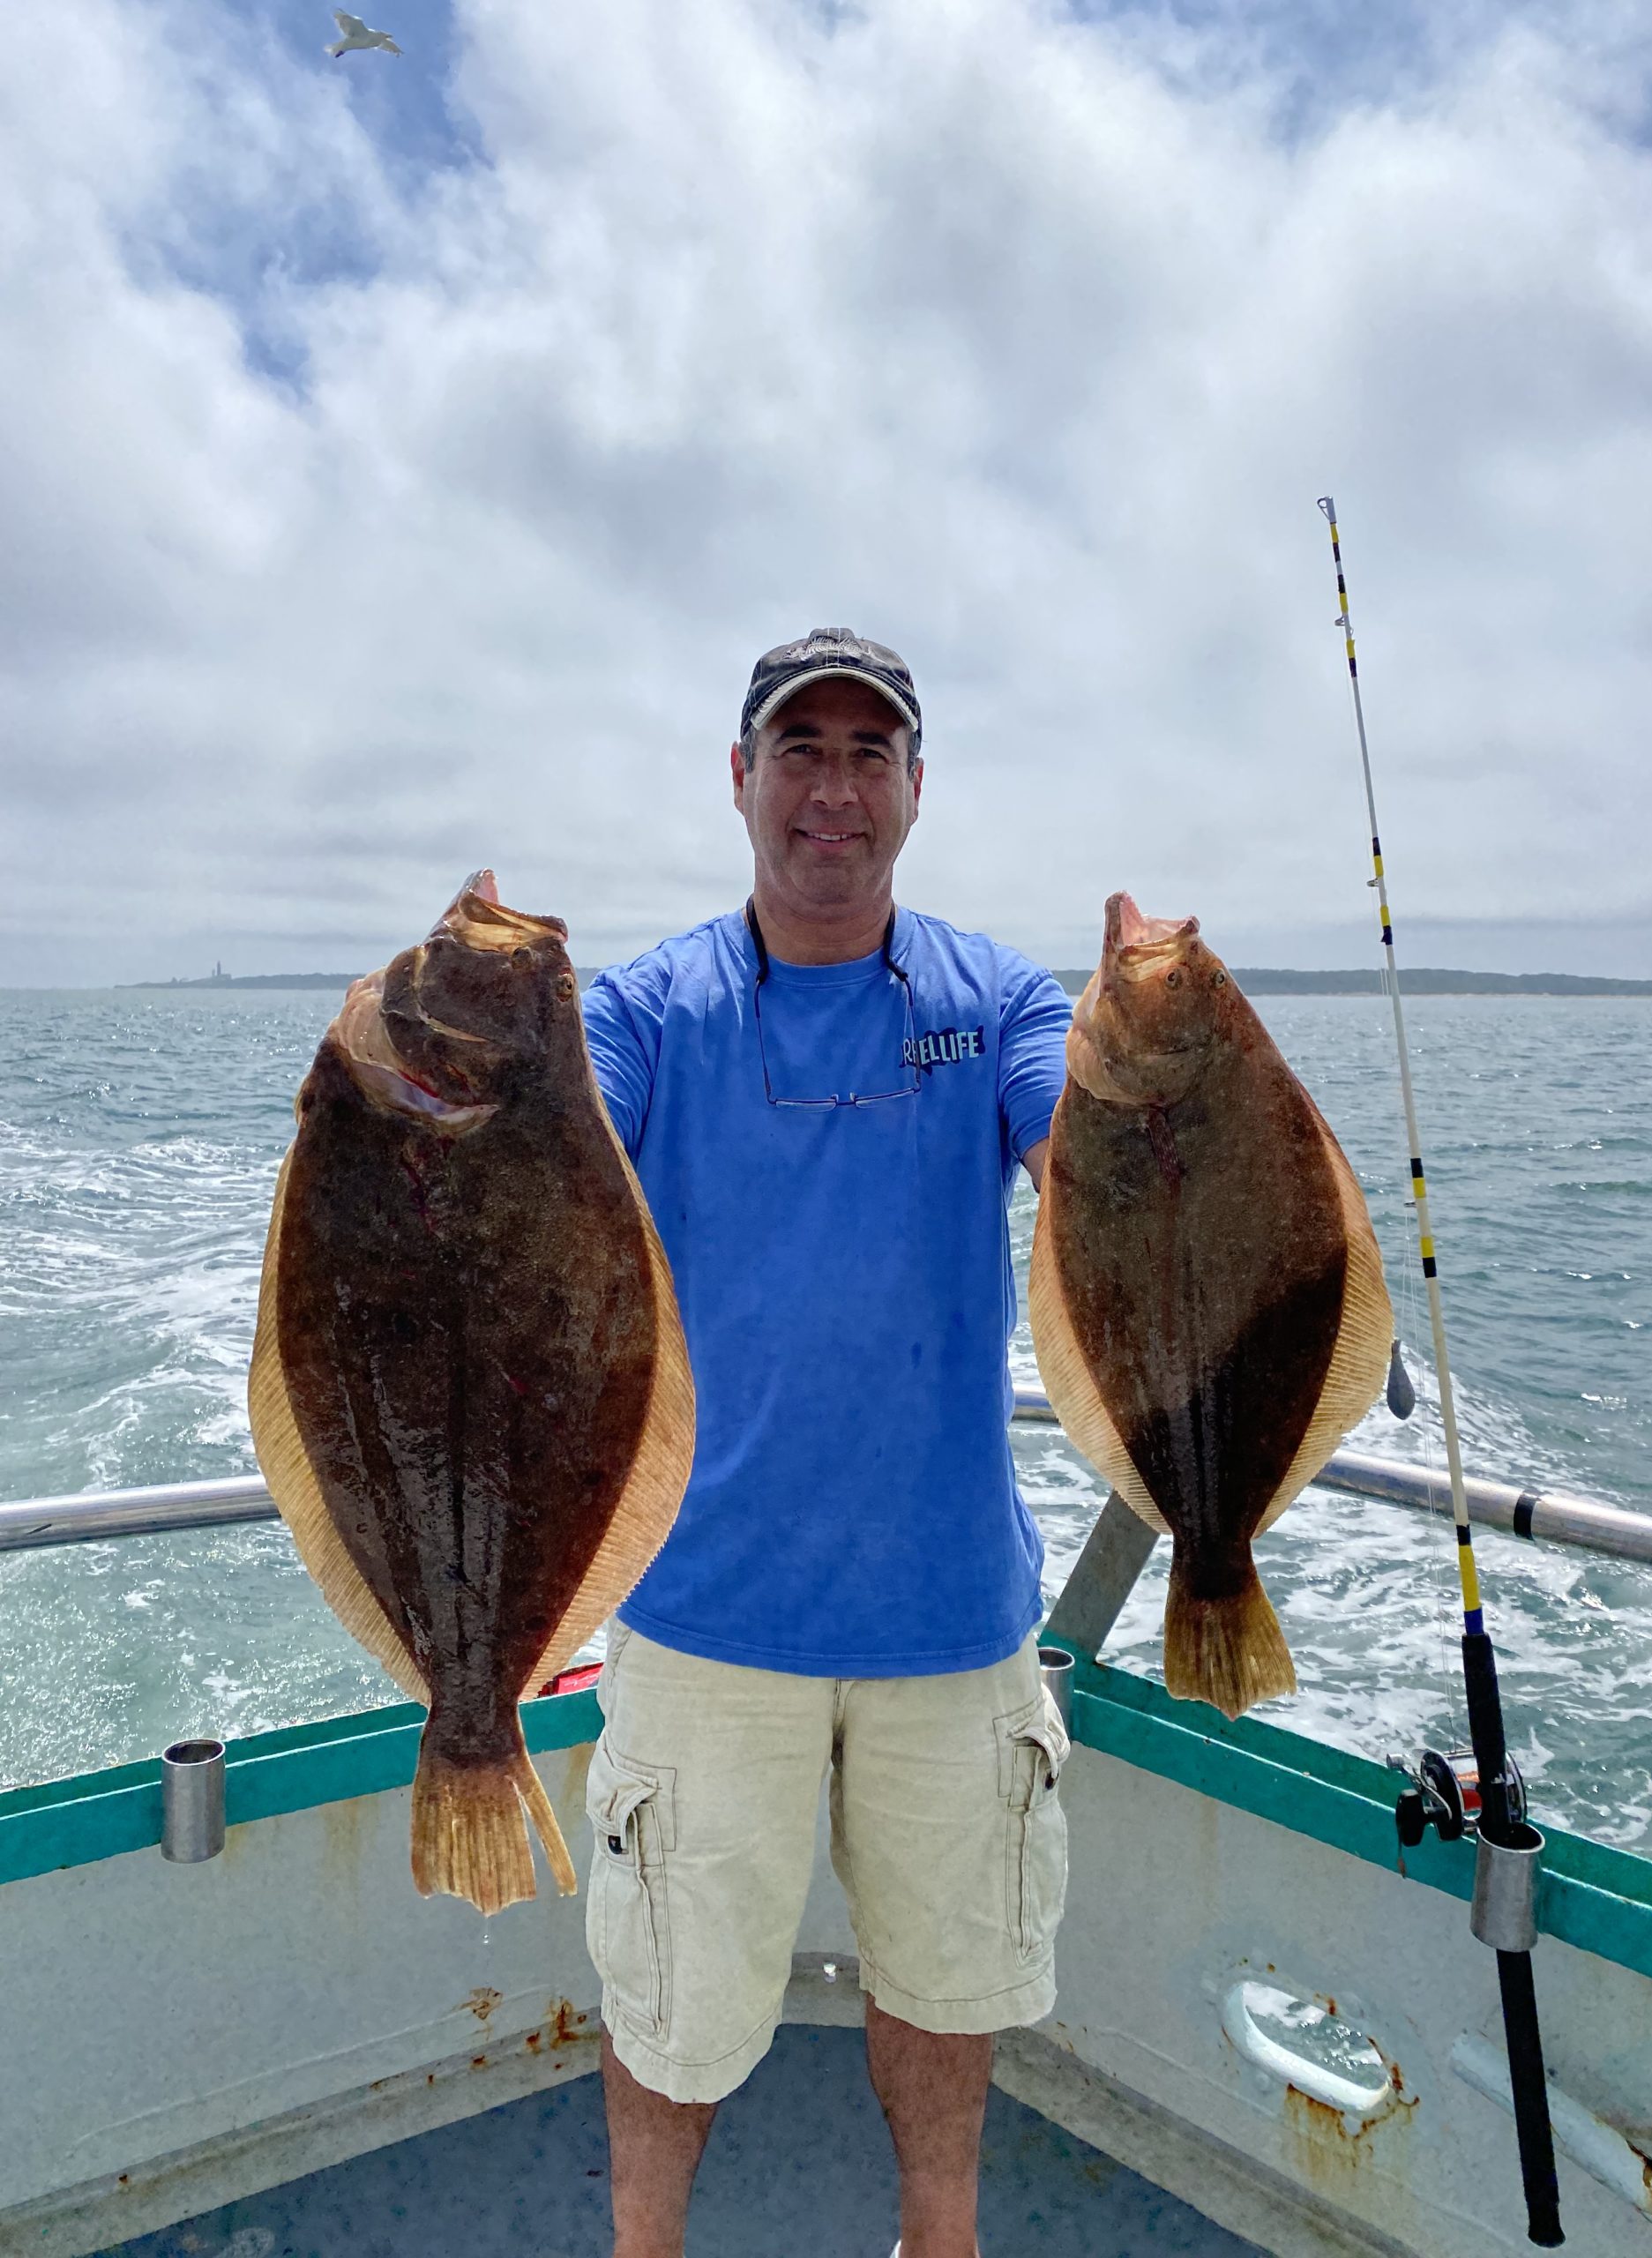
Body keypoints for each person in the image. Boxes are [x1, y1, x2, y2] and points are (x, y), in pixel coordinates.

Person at [579, 627, 1076, 2258]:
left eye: (873, 753)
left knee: (949, 1989)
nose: (835, 789)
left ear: (920, 790)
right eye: (802, 749)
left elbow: (1076, 1135)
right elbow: (548, 1140)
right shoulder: (644, 1013)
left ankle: (945, 2243)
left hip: (954, 1620)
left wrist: (1160, 1094)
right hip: (704, 1614)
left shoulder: (998, 1000)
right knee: (672, 2006)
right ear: (740, 779)